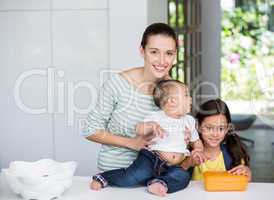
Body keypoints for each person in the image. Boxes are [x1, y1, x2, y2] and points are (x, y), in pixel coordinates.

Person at [81, 23, 193, 192]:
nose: (162, 61)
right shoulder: (117, 84)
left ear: (175, 55)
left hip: (159, 180)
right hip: (117, 178)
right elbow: (90, 130)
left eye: (169, 53)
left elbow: (184, 142)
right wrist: (131, 143)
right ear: (142, 51)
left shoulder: (176, 91)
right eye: (154, 52)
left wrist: (188, 141)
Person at [90, 80, 205, 196]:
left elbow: (196, 141)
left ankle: (160, 183)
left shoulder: (189, 121)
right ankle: (104, 178)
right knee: (132, 176)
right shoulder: (156, 116)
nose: (190, 98)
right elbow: (138, 129)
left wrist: (198, 150)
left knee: (183, 177)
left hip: (174, 166)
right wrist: (151, 126)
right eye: (186, 95)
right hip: (152, 159)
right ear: (172, 101)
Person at [181, 98, 252, 181]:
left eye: (221, 128)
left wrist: (247, 173)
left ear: (227, 129)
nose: (215, 134)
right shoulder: (185, 151)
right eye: (209, 128)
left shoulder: (234, 153)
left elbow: (243, 181)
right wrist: (188, 163)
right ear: (198, 126)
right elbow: (170, 179)